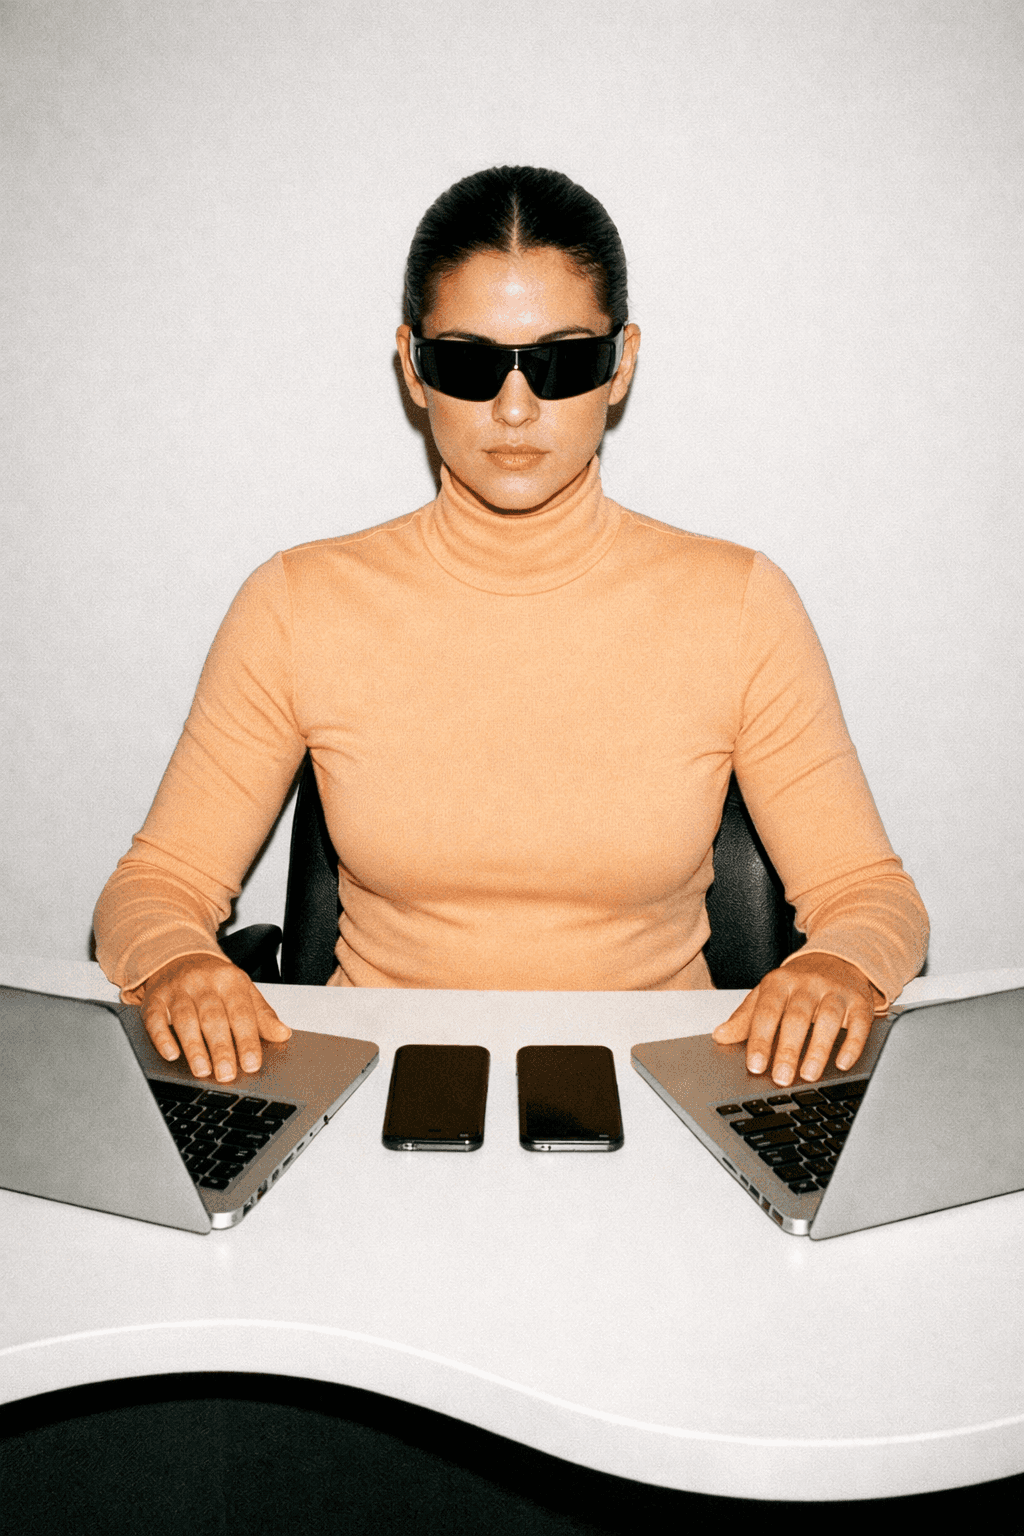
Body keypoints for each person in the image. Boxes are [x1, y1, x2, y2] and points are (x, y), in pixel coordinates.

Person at [93, 165, 928, 1091]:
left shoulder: (738, 604)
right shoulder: (298, 604)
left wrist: (836, 967)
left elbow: (869, 895)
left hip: (662, 1089)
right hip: (371, 1090)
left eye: (561, 360)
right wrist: (180, 962)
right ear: (413, 365)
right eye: (470, 361)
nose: (516, 407)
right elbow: (155, 886)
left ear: (622, 362)